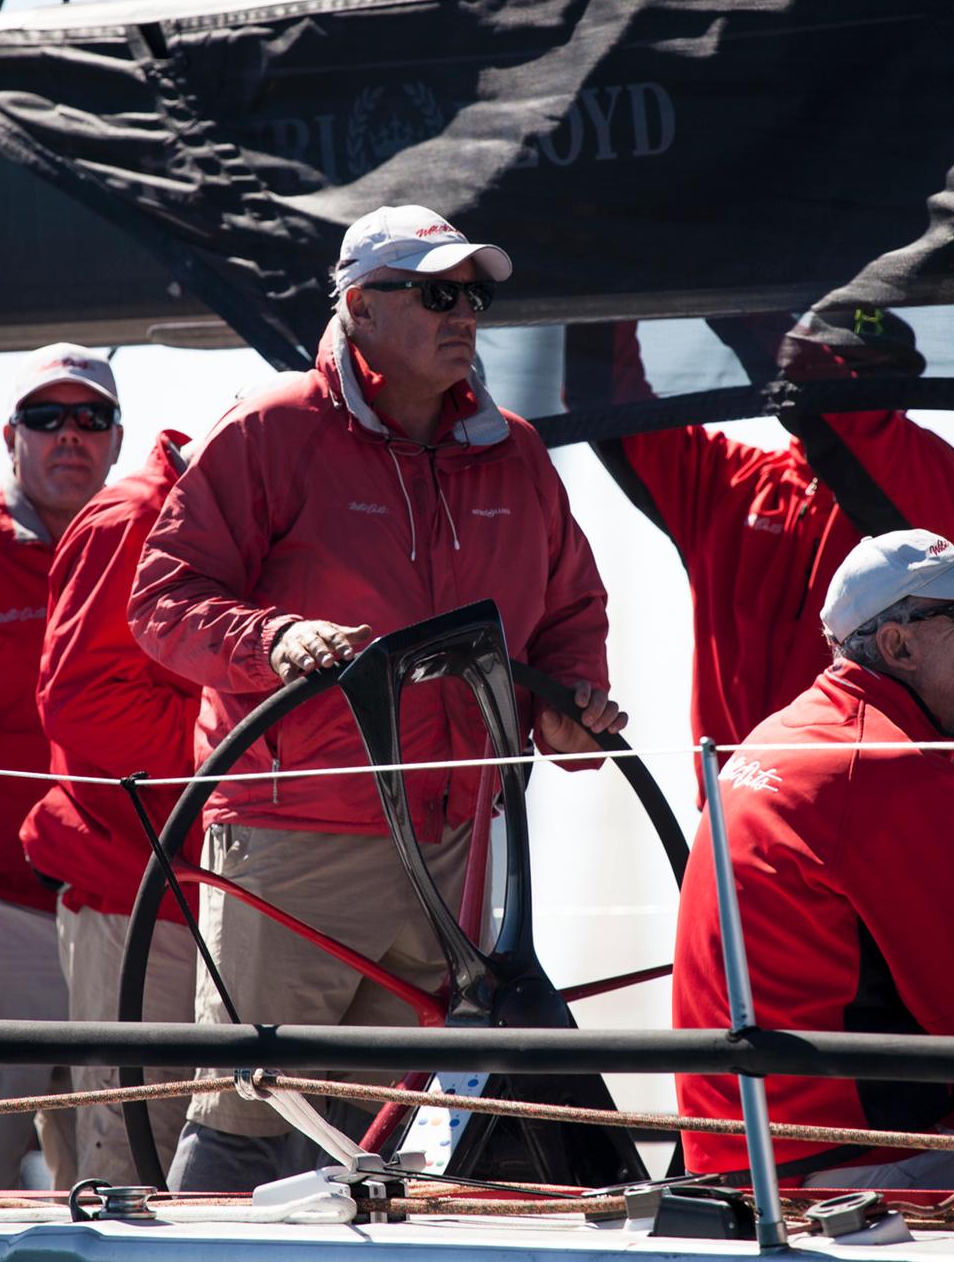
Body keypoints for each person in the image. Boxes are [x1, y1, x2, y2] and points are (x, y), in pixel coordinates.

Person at [129, 203, 626, 1191]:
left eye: (472, 296)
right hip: (299, 834)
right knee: (251, 1112)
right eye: (437, 293)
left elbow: (567, 610)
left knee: (374, 1133)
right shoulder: (271, 430)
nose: (464, 315)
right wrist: (272, 638)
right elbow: (163, 602)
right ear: (359, 306)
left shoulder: (514, 453)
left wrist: (570, 710)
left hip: (452, 840)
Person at [673, 527, 954, 1189]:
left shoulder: (798, 727)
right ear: (899, 645)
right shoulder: (888, 769)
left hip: (749, 1141)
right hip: (844, 1156)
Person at [571, 310, 954, 802]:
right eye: (849, 372)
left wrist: (722, 280)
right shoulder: (731, 482)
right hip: (740, 816)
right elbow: (604, 400)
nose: (862, 393)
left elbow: (830, 413)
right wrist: (613, 269)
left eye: (870, 378)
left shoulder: (944, 483)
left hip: (895, 814)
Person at [19, 429, 201, 1185]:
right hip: (135, 892)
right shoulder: (137, 516)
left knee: (222, 1153)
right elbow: (83, 700)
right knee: (127, 1168)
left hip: (232, 893)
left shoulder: (278, 517)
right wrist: (242, 759)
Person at [0, 343, 122, 1189]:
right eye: (46, 417)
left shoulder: (155, 554)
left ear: (116, 439)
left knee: (114, 1193)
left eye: (91, 417)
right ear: (10, 437)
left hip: (122, 920)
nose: (71, 435)